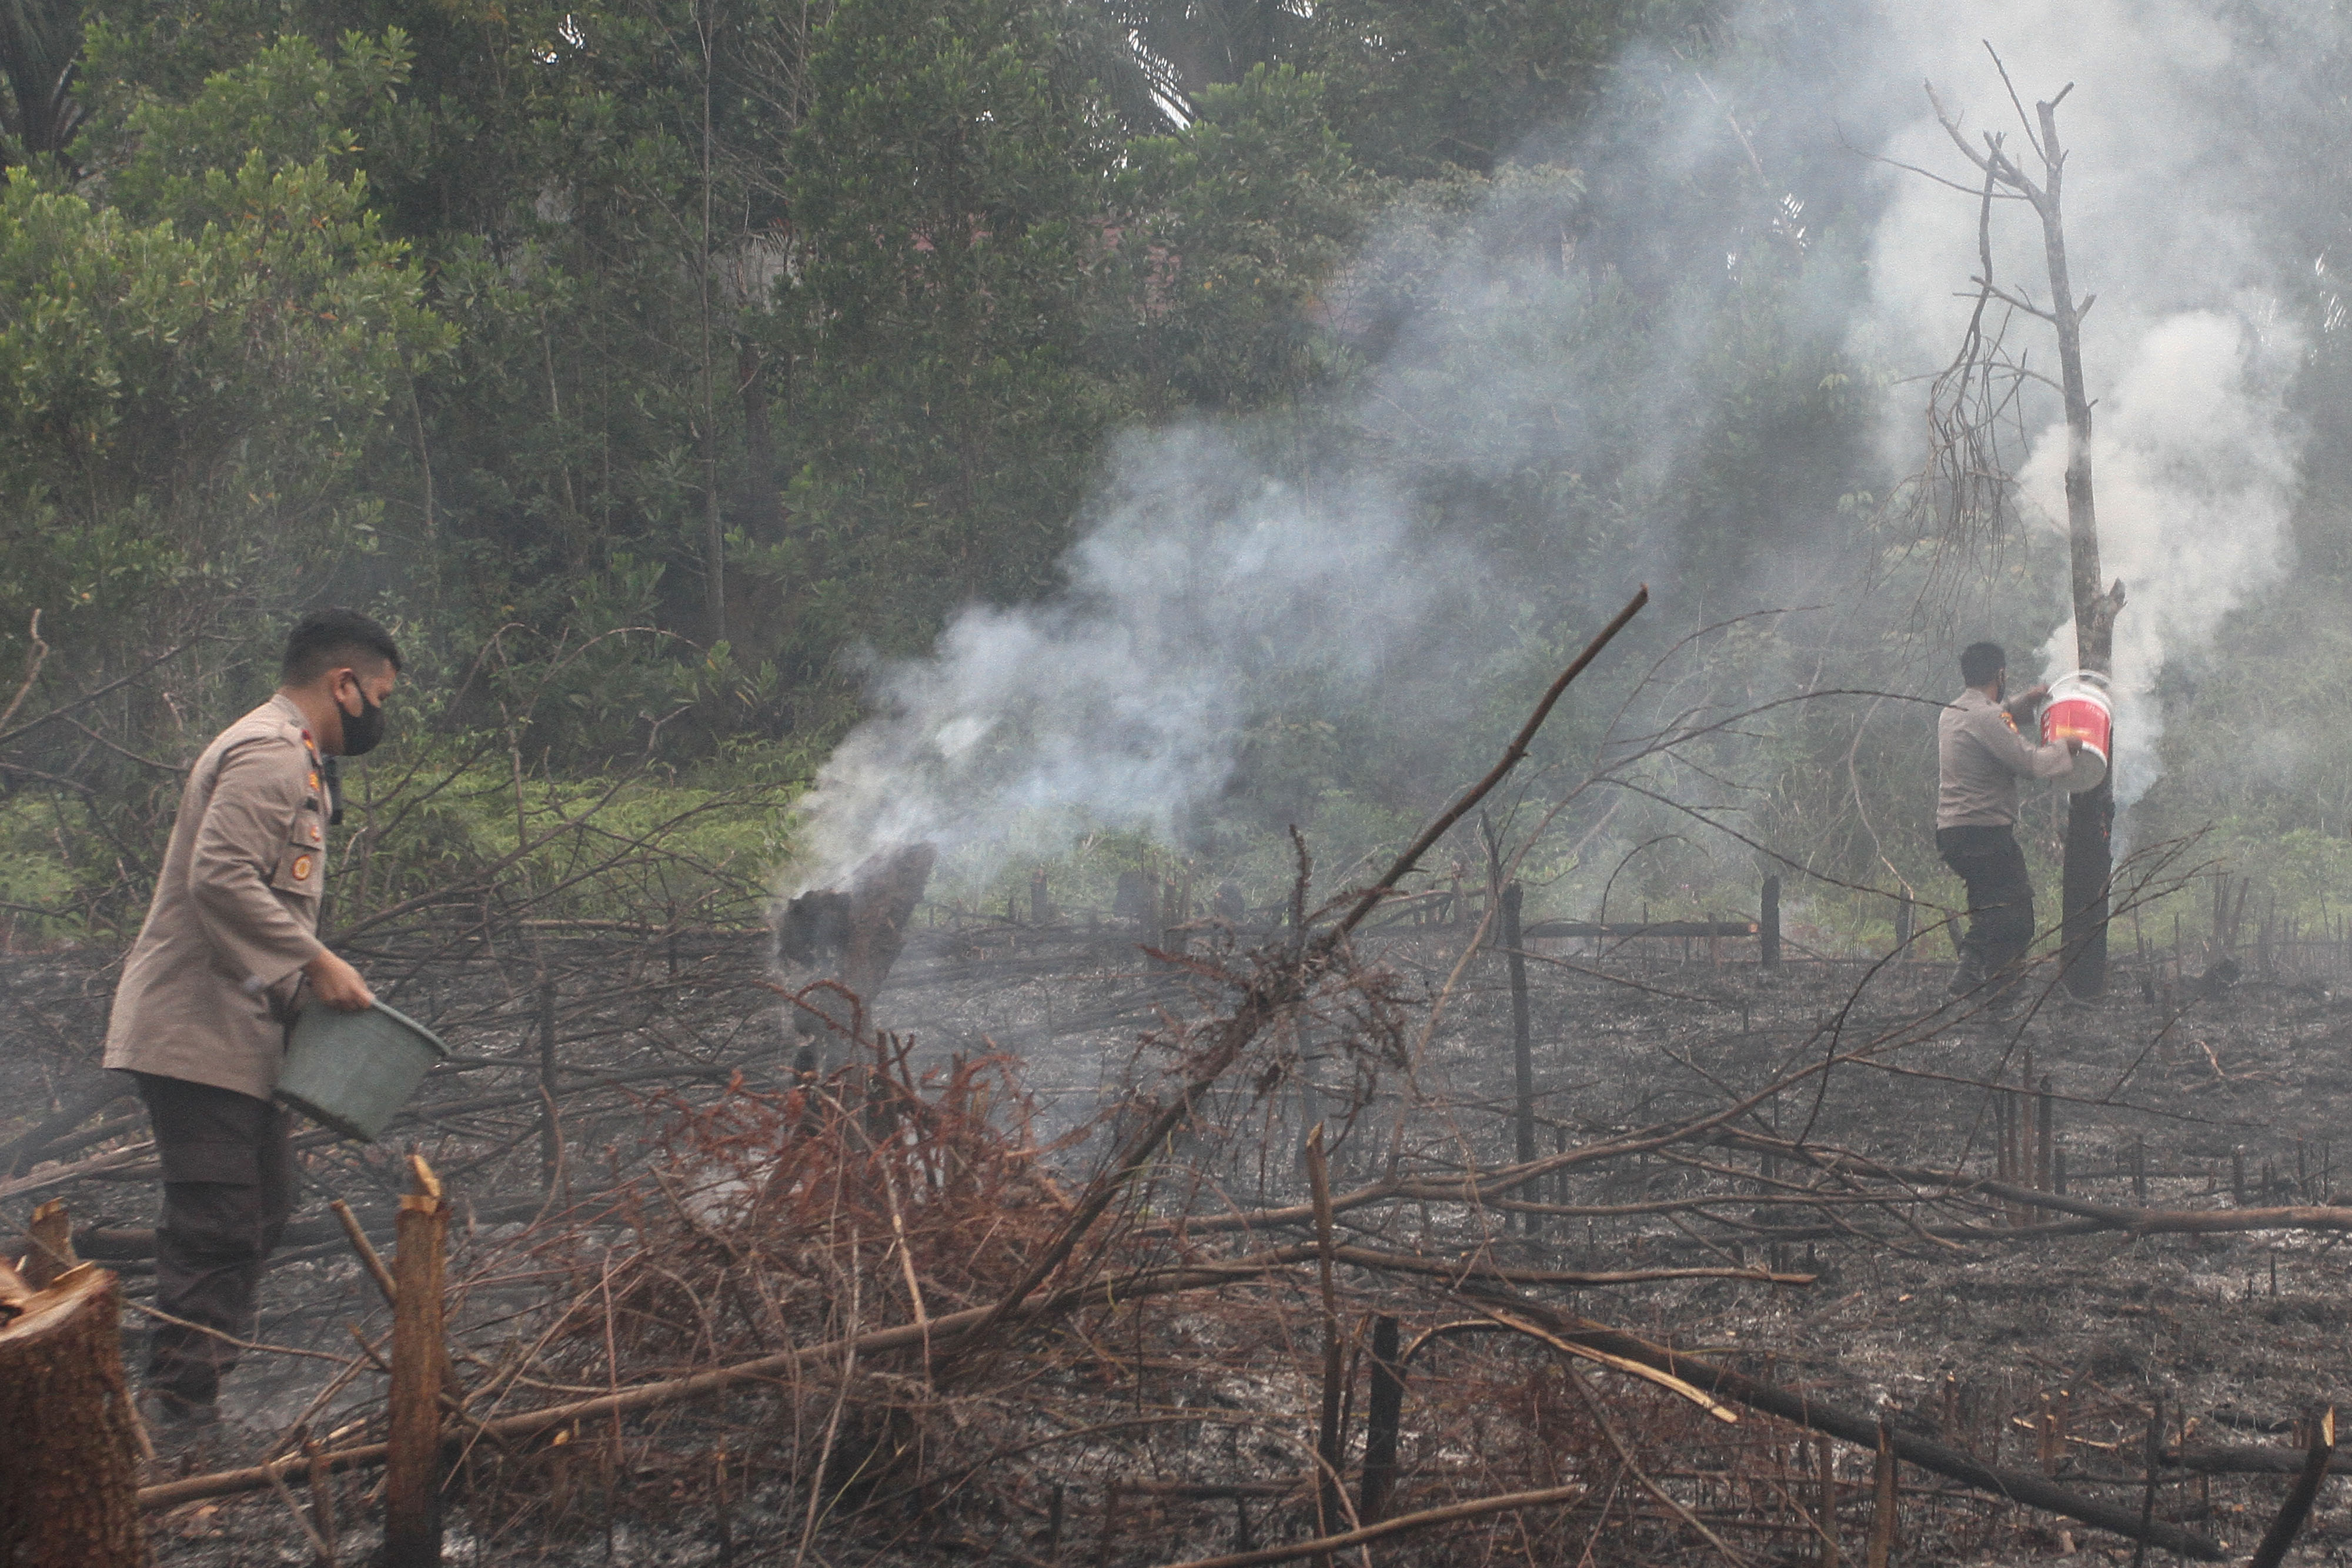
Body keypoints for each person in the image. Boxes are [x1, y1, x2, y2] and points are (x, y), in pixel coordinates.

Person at [103, 609, 400, 1426]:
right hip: (197, 1031)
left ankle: (183, 1391)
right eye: (379, 697)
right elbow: (222, 877)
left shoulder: (296, 759)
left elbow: (259, 897)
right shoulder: (270, 752)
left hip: (240, 1034)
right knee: (218, 1223)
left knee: (263, 1205)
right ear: (344, 684)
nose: (379, 714)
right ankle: (178, 1412)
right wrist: (318, 961)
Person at [1936, 640, 2079, 1005]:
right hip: (1983, 833)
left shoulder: (1953, 711)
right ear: (2000, 674)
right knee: (2015, 918)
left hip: (1954, 833)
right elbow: (2029, 763)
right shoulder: (1987, 718)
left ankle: (1996, 995)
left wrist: (2026, 701)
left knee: (1993, 908)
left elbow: (1995, 717)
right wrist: (2066, 748)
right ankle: (1975, 972)